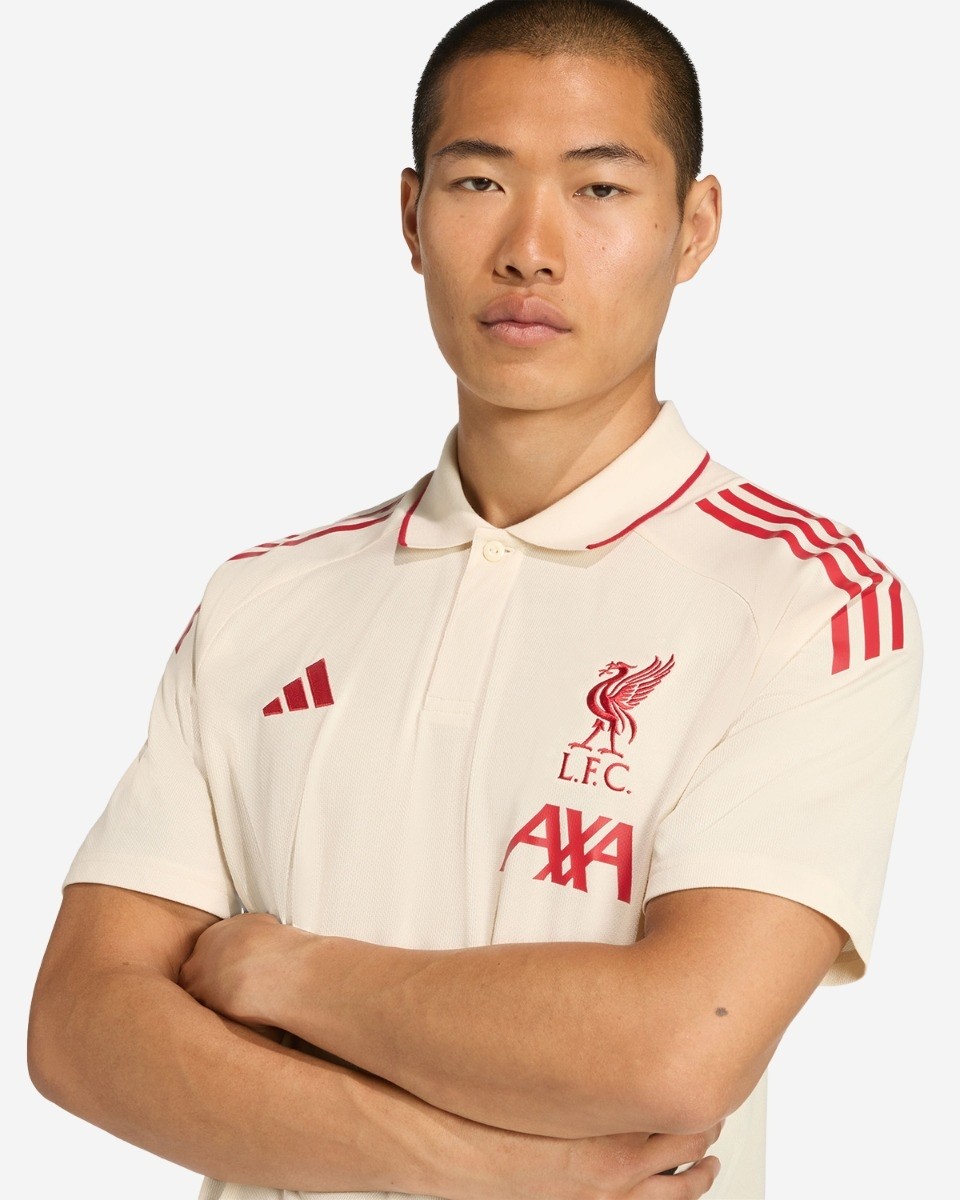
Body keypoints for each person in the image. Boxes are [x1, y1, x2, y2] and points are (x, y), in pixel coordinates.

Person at [27, 1, 922, 1197]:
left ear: (694, 226)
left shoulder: (808, 602)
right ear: (411, 216)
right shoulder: (261, 603)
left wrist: (284, 971)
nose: (530, 249)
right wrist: (480, 1170)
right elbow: (80, 1029)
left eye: (599, 189)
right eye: (479, 182)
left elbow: (677, 1048)